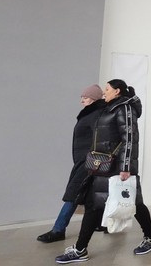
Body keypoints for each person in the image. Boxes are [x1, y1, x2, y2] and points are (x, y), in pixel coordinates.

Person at [55, 79, 151, 264]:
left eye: (107, 89)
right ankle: (80, 249)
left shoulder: (125, 109)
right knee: (93, 204)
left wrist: (126, 167)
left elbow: (129, 138)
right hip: (103, 165)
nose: (104, 92)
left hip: (119, 167)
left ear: (117, 91)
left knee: (134, 204)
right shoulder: (110, 108)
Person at [37, 84, 105, 243]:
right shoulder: (90, 113)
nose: (82, 100)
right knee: (91, 194)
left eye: (86, 97)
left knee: (73, 194)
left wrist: (91, 158)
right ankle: (102, 223)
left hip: (88, 161)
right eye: (82, 97)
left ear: (94, 99)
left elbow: (99, 138)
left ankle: (58, 230)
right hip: (83, 161)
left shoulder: (95, 114)